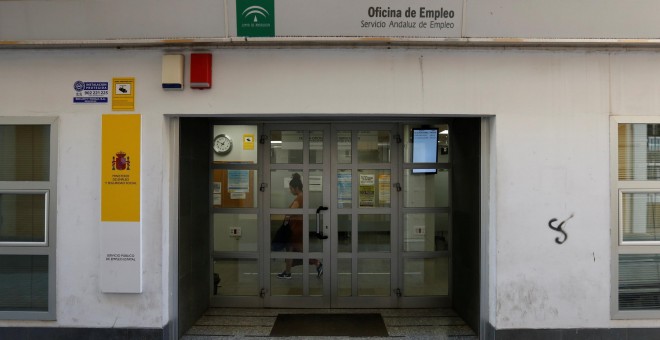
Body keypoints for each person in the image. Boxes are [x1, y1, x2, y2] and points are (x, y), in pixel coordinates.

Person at [277, 173, 323, 279]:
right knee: (290, 250)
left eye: (291, 188)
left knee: (301, 251)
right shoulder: (302, 197)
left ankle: (318, 264)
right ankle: (287, 272)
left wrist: (285, 222)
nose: (290, 191)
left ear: (296, 188)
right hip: (297, 228)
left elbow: (290, 213)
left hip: (295, 229)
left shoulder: (299, 198)